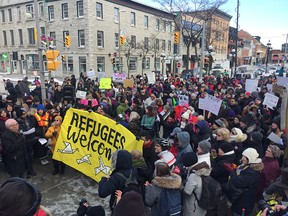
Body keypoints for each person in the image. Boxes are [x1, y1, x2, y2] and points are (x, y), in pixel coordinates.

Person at [223, 148, 263, 216]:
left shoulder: (252, 173)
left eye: (245, 157)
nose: (242, 158)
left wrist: (232, 171)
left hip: (243, 203)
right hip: (239, 199)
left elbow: (237, 182)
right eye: (243, 156)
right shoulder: (247, 167)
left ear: (250, 159)